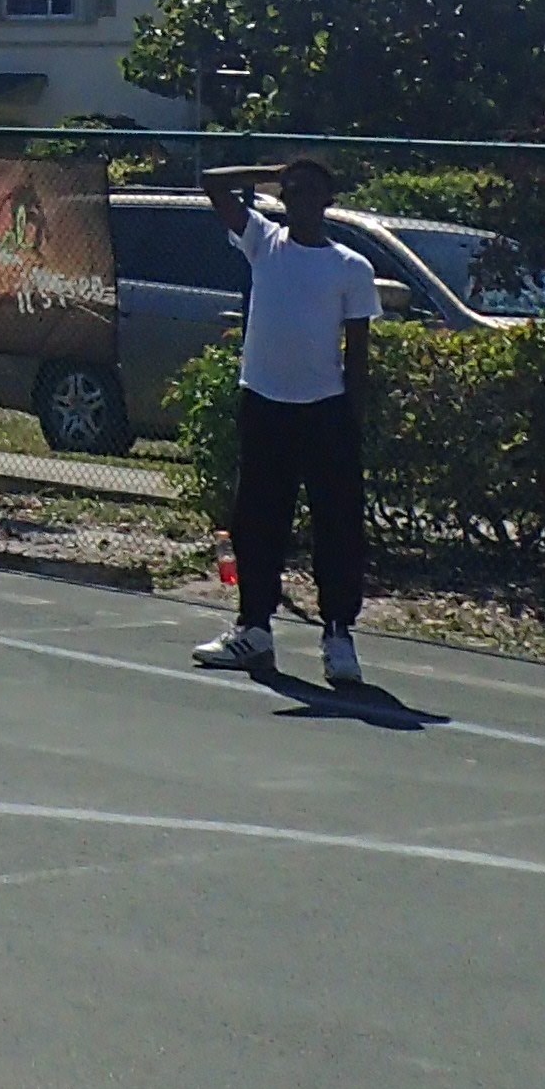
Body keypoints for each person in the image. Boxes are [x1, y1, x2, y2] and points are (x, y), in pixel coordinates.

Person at [190, 156, 380, 690]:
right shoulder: (263, 242)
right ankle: (253, 629)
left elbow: (358, 352)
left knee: (336, 525)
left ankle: (338, 634)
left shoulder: (351, 268)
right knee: (256, 520)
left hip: (325, 412)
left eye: (310, 191)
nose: (299, 199)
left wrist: (352, 422)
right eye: (290, 190)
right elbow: (212, 184)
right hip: (264, 404)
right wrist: (272, 168)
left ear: (328, 202)